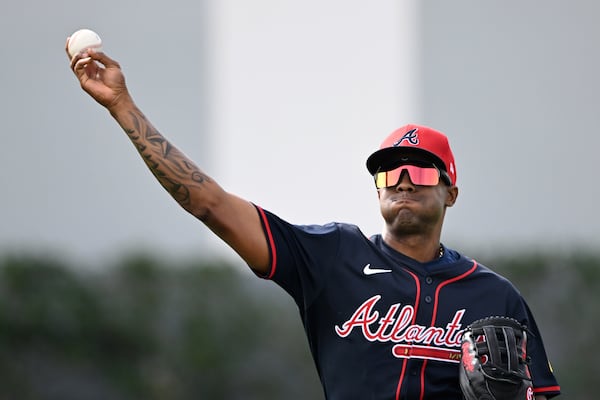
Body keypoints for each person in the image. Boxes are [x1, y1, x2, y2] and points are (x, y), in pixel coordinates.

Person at [67, 45, 561, 399]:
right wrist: (122, 106)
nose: (402, 181)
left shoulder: (495, 296)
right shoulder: (332, 256)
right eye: (388, 171)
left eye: (419, 169)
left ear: (450, 190)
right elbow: (210, 204)